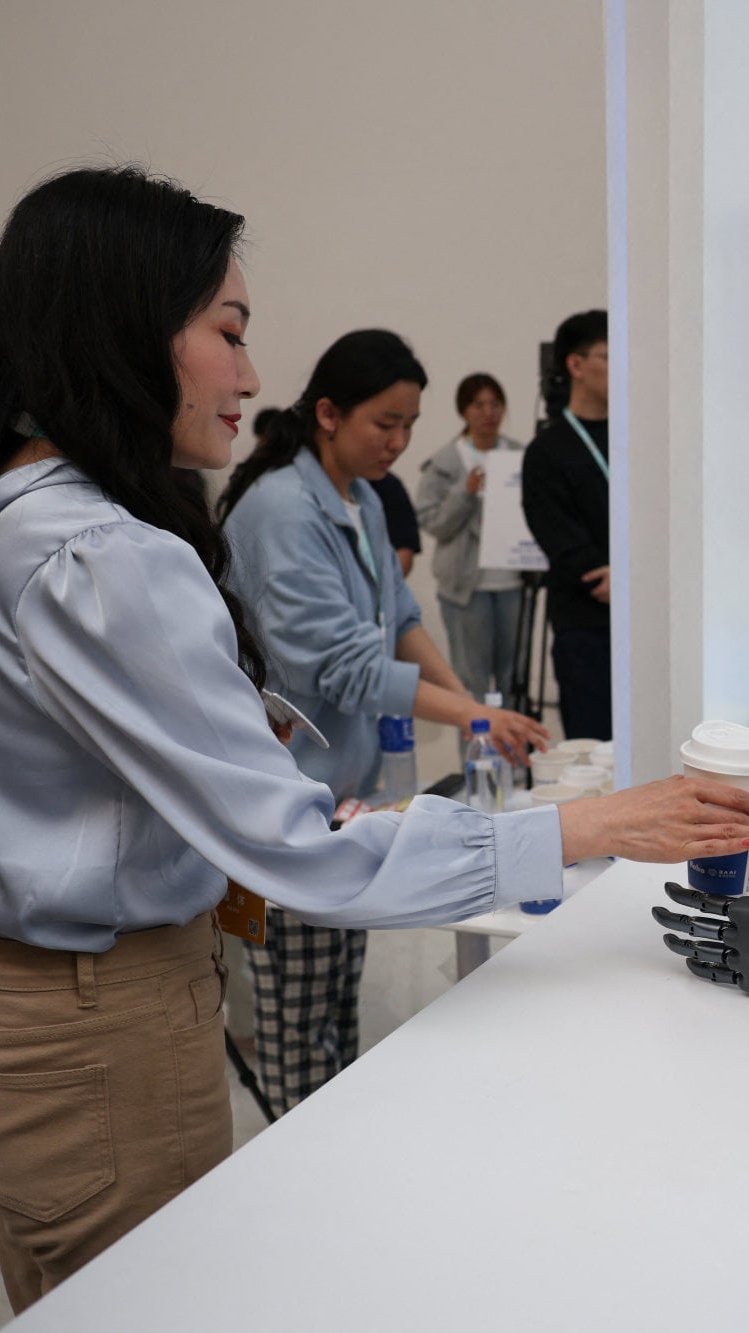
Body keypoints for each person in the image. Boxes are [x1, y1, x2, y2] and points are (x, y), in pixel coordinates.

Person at [0, 166, 749, 1312]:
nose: (250, 376)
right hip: (97, 1039)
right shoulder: (107, 554)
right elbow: (301, 859)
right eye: (227, 332)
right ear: (127, 331)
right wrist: (584, 827)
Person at [218, 330, 547, 1114]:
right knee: (296, 1018)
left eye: (408, 425)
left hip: (344, 790)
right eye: (383, 423)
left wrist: (472, 702)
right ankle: (303, 1171)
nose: (398, 443)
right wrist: (473, 711)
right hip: (282, 796)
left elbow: (398, 617)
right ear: (326, 413)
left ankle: (335, 1144)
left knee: (337, 994)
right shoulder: (278, 511)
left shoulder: (357, 498)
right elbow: (344, 669)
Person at [522, 309, 613, 740]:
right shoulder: (548, 448)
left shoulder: (638, 436)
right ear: (576, 365)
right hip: (587, 625)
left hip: (649, 619)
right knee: (596, 749)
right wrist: (608, 576)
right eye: (611, 356)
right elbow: (557, 533)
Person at [416, 372, 527, 705]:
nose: (488, 412)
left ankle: (515, 756)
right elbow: (433, 523)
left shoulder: (519, 455)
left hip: (513, 583)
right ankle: (476, 754)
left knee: (514, 679)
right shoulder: (446, 461)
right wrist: (464, 494)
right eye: (479, 405)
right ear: (464, 410)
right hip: (466, 588)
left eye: (495, 404)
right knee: (471, 680)